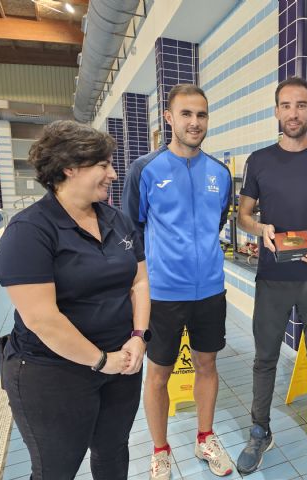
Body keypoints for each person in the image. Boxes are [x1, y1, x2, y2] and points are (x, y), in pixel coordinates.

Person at [0, 120, 150, 480]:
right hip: (52, 372)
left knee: (113, 455)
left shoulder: (117, 220)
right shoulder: (30, 231)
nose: (112, 173)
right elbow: (42, 318)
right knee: (56, 470)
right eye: (103, 165)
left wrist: (138, 336)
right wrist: (99, 361)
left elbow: (139, 282)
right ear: (69, 167)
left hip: (122, 362)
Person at [235, 76, 307, 474]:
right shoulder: (259, 160)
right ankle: (259, 429)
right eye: (286, 105)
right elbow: (244, 215)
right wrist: (261, 230)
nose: (293, 112)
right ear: (277, 112)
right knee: (265, 358)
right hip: (272, 275)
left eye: (301, 105)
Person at [122, 84, 233, 479]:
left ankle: (205, 437)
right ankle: (160, 449)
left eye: (201, 115)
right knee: (158, 373)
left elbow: (217, 222)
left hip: (210, 291)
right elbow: (131, 229)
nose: (195, 122)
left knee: (207, 364)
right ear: (169, 117)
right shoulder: (145, 170)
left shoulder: (220, 173)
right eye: (186, 114)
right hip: (164, 293)